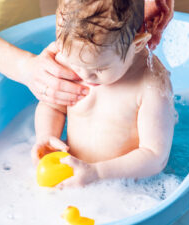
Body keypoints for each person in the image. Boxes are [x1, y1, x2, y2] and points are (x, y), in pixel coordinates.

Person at [0, 0, 173, 155]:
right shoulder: (73, 60)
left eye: (97, 71)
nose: (87, 77)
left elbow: (153, 154)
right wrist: (22, 68)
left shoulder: (136, 79)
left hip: (6, 48)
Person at [31, 0, 175, 187]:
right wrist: (47, 135)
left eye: (99, 69)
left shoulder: (150, 85)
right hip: (73, 176)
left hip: (124, 186)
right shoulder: (72, 57)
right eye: (74, 63)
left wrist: (98, 172)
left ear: (138, 43)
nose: (83, 74)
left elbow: (155, 157)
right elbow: (52, 105)